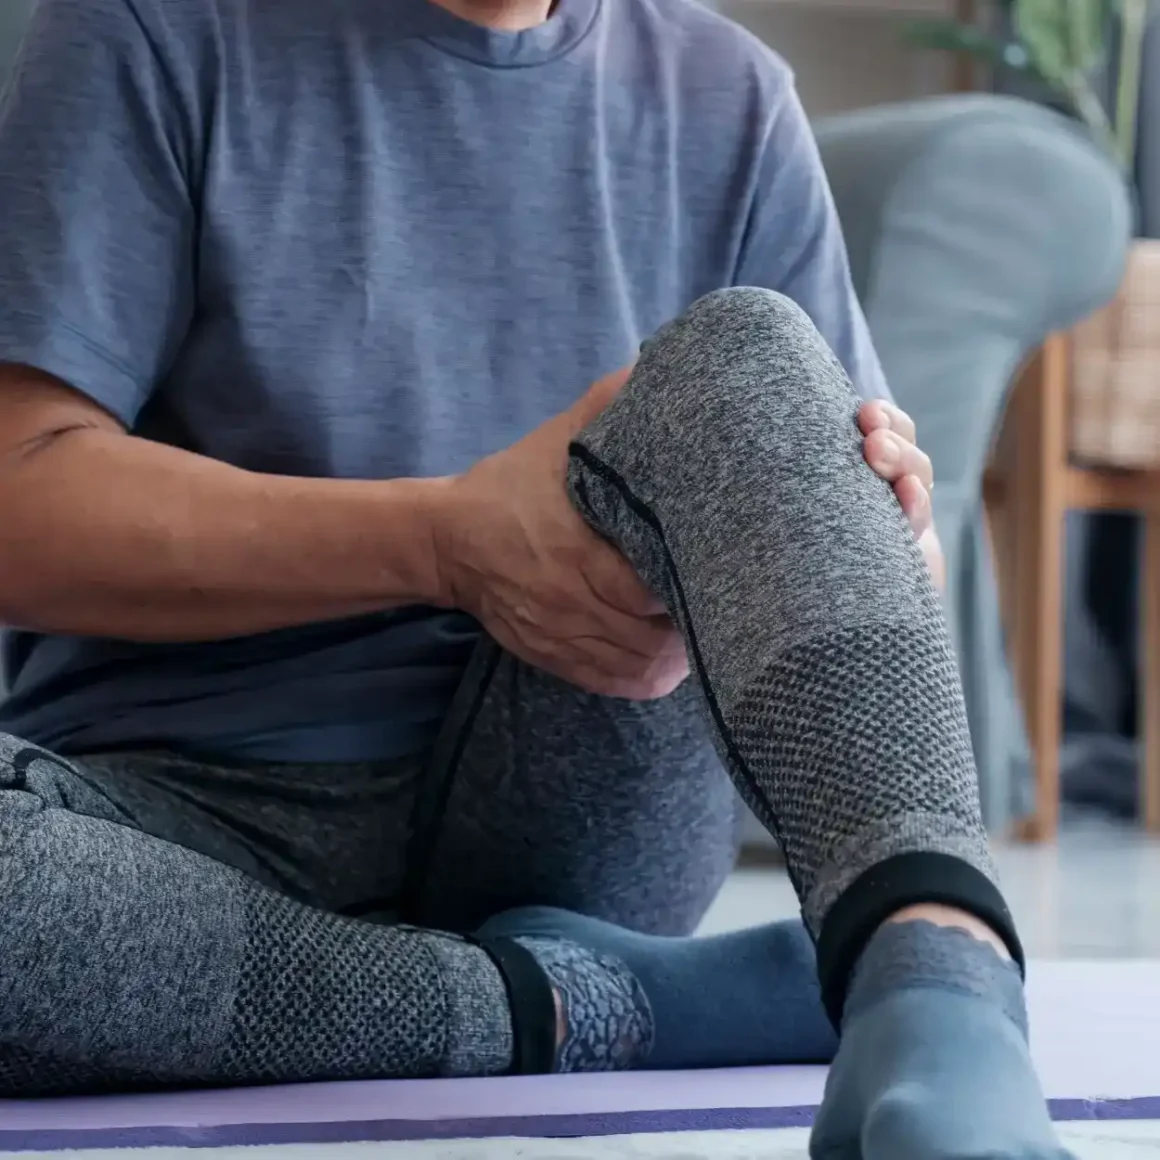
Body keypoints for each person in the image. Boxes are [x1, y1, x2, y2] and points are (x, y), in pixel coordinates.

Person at [0, 0, 1069, 1156]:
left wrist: (857, 510)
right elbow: (22, 499)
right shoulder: (148, 28)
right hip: (170, 832)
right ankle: (592, 1001)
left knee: (748, 353)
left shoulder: (731, 93)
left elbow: (879, 561)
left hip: (585, 792)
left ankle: (936, 980)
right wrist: (445, 541)